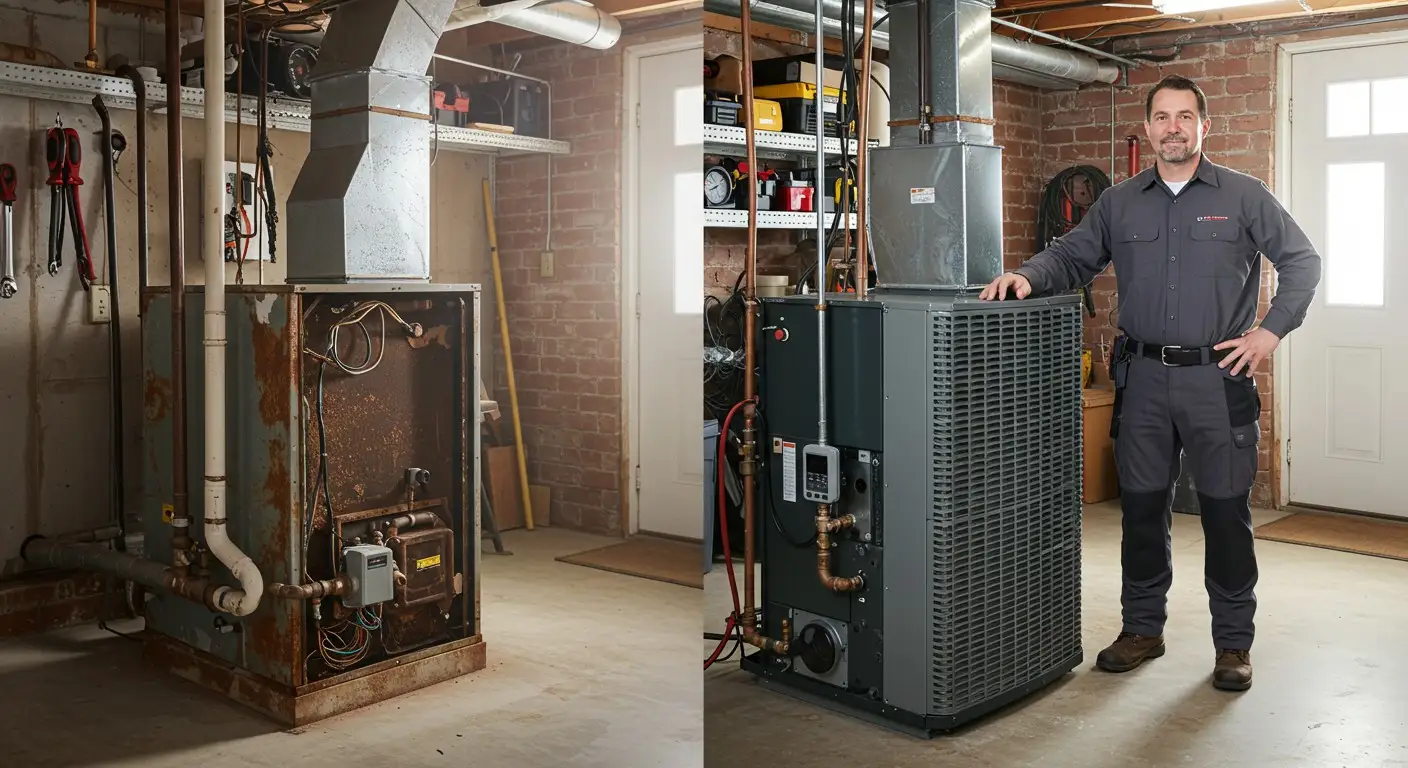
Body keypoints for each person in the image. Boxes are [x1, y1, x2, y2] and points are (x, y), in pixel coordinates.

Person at [979, 74, 1322, 691]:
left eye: (1184, 117)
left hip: (1217, 380)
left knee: (1224, 516)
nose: (1172, 128)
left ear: (1203, 126)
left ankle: (1232, 645)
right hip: (1140, 382)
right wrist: (1029, 276)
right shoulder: (1118, 202)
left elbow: (1303, 261)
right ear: (1148, 128)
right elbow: (1071, 255)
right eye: (1161, 117)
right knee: (1141, 512)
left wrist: (1269, 332)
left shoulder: (1246, 196)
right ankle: (1142, 628)